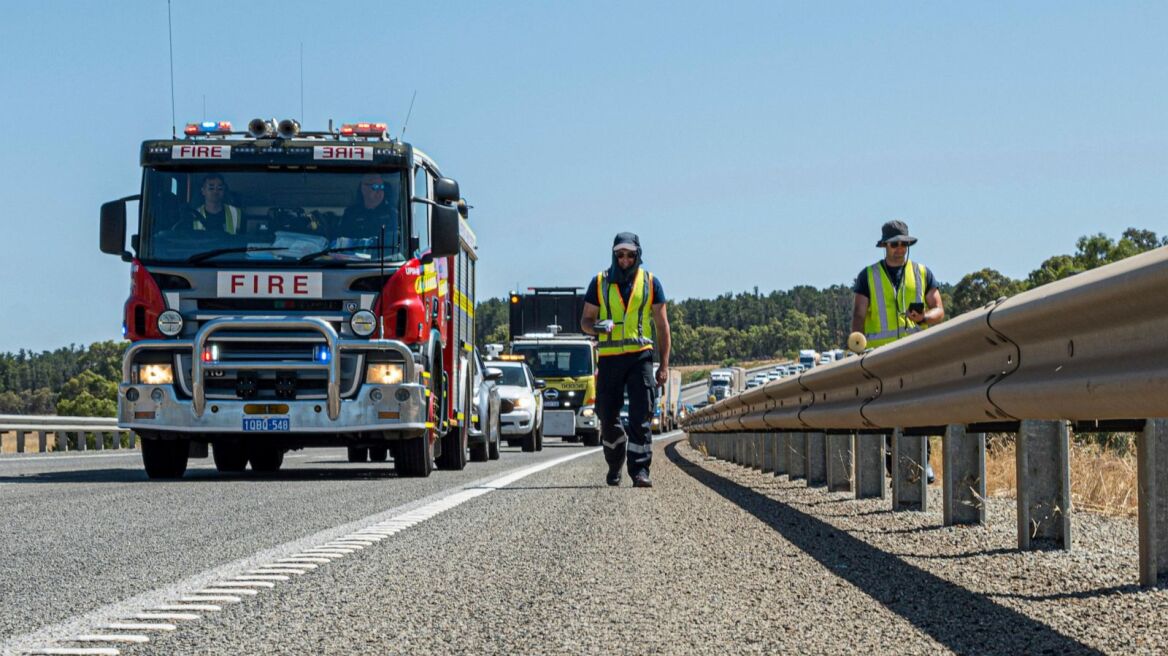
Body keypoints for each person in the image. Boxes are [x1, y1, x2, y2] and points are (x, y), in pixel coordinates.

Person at [851, 219, 944, 483]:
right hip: (881, 358)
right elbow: (858, 314)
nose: (900, 249)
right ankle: (895, 466)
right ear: (885, 246)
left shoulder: (922, 273)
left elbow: (939, 309)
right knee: (888, 411)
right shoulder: (868, 276)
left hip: (914, 355)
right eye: (894, 244)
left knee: (918, 409)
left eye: (904, 244)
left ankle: (922, 462)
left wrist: (924, 317)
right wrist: (858, 345)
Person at [580, 232, 671, 488]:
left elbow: (662, 327)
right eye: (620, 255)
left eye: (630, 255)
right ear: (614, 255)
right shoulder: (599, 282)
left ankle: (640, 470)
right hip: (609, 359)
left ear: (638, 255)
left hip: (640, 357)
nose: (625, 260)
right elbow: (585, 321)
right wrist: (597, 327)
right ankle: (615, 461)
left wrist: (663, 365)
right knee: (607, 416)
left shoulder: (651, 283)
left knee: (641, 414)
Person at [340, 173, 399, 249]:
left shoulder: (391, 213)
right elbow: (343, 241)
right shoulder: (351, 213)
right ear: (364, 188)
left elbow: (396, 242)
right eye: (375, 187)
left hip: (383, 255)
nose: (379, 191)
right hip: (355, 254)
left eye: (382, 187)